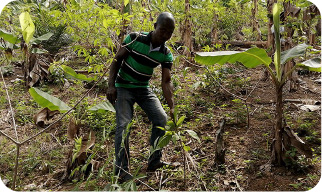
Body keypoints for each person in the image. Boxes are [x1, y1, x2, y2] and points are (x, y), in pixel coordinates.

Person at [106, 12, 176, 182]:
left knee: (161, 118)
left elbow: (166, 82)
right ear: (154, 27)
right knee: (124, 124)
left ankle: (154, 160)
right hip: (124, 88)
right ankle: (121, 171)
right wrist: (110, 85)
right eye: (162, 30)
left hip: (143, 89)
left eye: (169, 33)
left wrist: (172, 106)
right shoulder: (134, 38)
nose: (165, 35)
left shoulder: (166, 53)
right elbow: (117, 60)